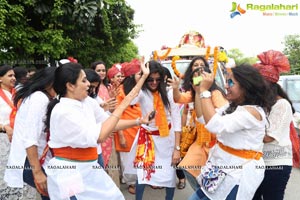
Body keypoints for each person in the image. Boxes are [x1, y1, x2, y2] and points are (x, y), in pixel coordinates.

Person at [44, 62, 151, 199]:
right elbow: (100, 136)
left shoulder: (87, 102)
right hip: (69, 173)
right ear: (70, 86)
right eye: (83, 80)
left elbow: (108, 123)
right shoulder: (63, 111)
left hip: (89, 168)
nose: (88, 84)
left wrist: (138, 121)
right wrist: (122, 106)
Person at [189, 64, 273, 200]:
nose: (226, 86)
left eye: (230, 82)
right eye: (226, 81)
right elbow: (203, 119)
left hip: (238, 175)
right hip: (218, 168)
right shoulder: (232, 107)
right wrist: (199, 92)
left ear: (246, 86)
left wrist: (205, 91)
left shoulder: (253, 112)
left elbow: (214, 125)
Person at [169, 56, 228, 191]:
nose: (199, 68)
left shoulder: (216, 92)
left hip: (216, 143)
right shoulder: (194, 91)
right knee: (188, 167)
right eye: (196, 65)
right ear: (191, 72)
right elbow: (179, 98)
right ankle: (202, 193)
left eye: (202, 65)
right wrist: (176, 88)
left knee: (216, 178)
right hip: (200, 141)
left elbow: (222, 115)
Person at [130, 60, 182, 200]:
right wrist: (140, 80)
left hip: (167, 140)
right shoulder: (142, 93)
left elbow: (177, 120)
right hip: (147, 140)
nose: (154, 82)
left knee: (168, 176)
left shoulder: (169, 93)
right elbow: (129, 101)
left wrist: (177, 149)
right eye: (150, 79)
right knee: (142, 175)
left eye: (158, 79)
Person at [4, 67, 56, 200]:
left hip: (38, 159)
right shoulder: (39, 99)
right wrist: (37, 172)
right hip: (31, 161)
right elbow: (30, 139)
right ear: (50, 83)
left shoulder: (43, 96)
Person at [253, 50, 294, 200]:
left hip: (277, 164)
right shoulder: (262, 104)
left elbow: (268, 137)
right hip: (258, 162)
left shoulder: (282, 104)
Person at [114, 59, 142, 195]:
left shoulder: (143, 89)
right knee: (128, 159)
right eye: (139, 74)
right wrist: (121, 135)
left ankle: (142, 180)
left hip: (141, 130)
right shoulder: (121, 91)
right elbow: (116, 115)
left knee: (140, 157)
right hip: (126, 131)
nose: (142, 77)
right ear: (131, 76)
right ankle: (131, 182)